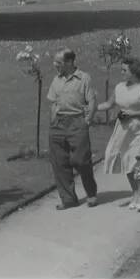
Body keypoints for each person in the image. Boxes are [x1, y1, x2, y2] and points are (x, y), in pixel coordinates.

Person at [97, 57, 140, 212]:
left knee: (138, 162)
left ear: (134, 71)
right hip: (122, 131)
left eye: (124, 70)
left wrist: (133, 113)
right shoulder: (119, 87)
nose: (121, 73)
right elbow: (109, 104)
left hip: (139, 130)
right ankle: (135, 193)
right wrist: (92, 108)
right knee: (127, 162)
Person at [47, 48, 98, 210]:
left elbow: (91, 101)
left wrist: (87, 120)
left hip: (77, 122)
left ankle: (91, 193)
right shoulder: (56, 80)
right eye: (55, 62)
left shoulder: (84, 78)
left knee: (81, 160)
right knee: (59, 163)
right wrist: (53, 121)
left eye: (59, 63)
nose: (56, 65)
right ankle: (68, 199)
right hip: (58, 124)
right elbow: (53, 103)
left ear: (69, 62)